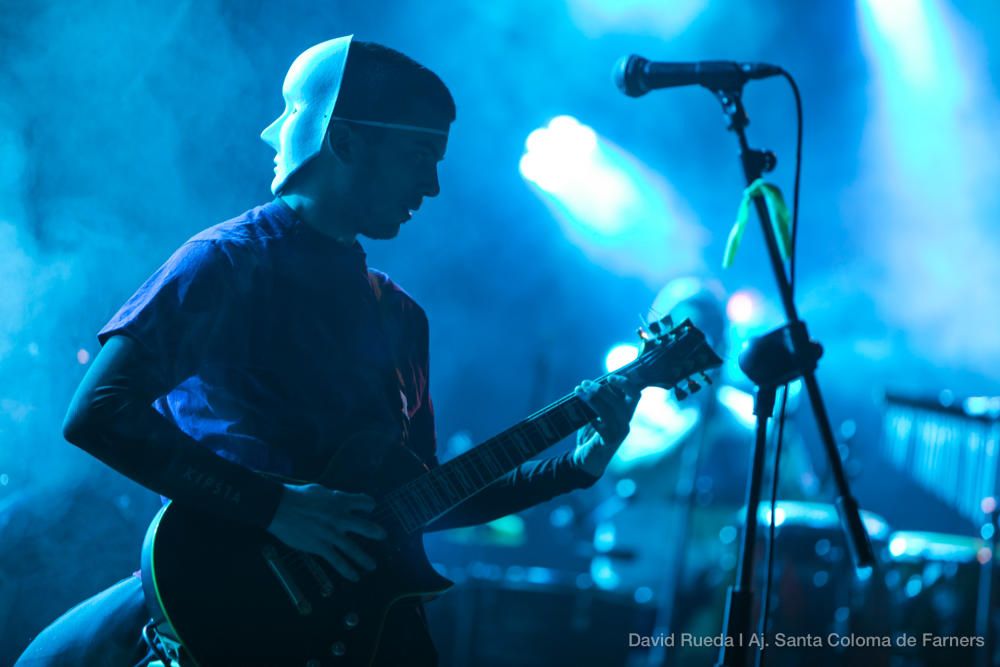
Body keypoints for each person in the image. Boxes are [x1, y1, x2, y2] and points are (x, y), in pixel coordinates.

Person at [16, 36, 639, 666]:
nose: (432, 184)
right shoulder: (226, 264)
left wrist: (574, 467)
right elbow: (99, 412)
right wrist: (275, 507)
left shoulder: (401, 317)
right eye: (419, 154)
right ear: (344, 141)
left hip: (367, 635)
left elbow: (416, 501)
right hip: (232, 624)